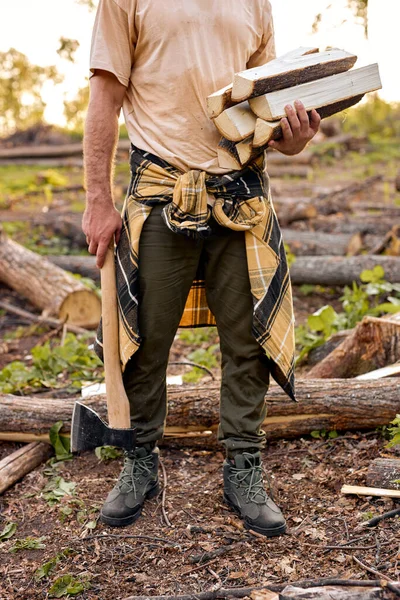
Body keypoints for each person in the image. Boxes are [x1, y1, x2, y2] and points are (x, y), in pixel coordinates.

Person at [83, 0, 320, 536]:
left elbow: (265, 109)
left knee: (248, 340)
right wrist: (97, 197)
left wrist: (294, 138)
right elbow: (105, 95)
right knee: (144, 336)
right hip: (160, 191)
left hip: (240, 193)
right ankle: (139, 459)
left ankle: (243, 467)